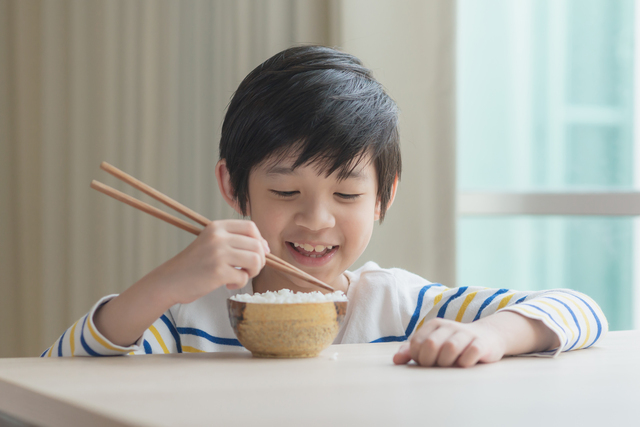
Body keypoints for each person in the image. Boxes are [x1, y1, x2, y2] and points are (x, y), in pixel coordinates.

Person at [42, 45, 607, 367]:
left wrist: (492, 334)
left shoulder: (400, 307)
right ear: (233, 188)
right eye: (285, 192)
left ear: (384, 196)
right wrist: (164, 285)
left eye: (347, 194)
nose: (316, 220)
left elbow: (581, 311)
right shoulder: (192, 319)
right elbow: (59, 375)